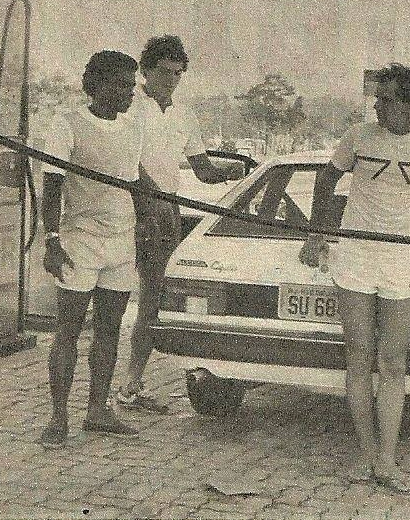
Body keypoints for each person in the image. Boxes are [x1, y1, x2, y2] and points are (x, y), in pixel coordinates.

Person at [299, 63, 410, 493]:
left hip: (402, 260)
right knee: (359, 358)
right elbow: (326, 182)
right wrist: (317, 234)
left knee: (394, 363)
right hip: (356, 257)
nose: (378, 106)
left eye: (387, 99)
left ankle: (387, 460)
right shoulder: (358, 137)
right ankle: (365, 456)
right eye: (377, 98)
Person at [117, 35, 243, 413]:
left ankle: (130, 386)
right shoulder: (129, 108)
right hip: (128, 209)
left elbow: (202, 170)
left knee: (153, 300)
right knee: (114, 296)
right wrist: (152, 197)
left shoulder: (185, 116)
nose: (172, 79)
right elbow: (126, 163)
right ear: (146, 70)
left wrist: (230, 172)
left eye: (178, 73)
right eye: (165, 72)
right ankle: (117, 389)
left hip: (165, 214)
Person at [39, 50, 142, 448]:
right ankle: (58, 416)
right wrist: (51, 241)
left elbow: (131, 185)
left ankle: (98, 410)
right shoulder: (66, 124)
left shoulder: (132, 129)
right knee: (68, 329)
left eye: (131, 85)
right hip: (78, 240)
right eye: (120, 84)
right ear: (96, 84)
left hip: (121, 240)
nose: (128, 92)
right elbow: (51, 187)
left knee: (110, 329)